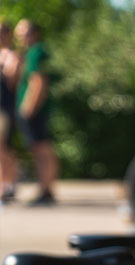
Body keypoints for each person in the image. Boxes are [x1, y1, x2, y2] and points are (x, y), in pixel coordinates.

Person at [14, 19, 57, 206]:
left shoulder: (36, 52)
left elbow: (38, 81)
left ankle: (45, 190)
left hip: (35, 110)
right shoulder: (37, 51)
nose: (19, 37)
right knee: (43, 149)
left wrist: (28, 108)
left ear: (32, 33)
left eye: (22, 33)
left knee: (41, 150)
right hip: (39, 110)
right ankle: (46, 189)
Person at [0, 22, 18, 202]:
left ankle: (8, 184)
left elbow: (12, 83)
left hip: (5, 108)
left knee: (4, 147)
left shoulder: (12, 56)